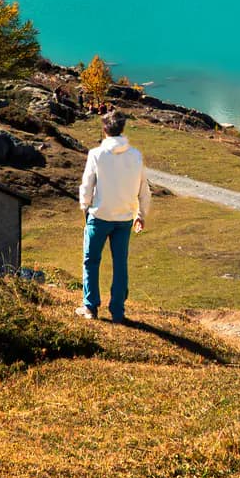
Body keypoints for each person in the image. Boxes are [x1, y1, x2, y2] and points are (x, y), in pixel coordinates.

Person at [77, 109, 147, 321]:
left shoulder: (96, 154)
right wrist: (140, 214)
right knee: (120, 264)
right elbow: (143, 187)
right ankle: (117, 311)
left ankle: (90, 307)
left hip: (99, 216)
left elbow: (87, 184)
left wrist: (85, 206)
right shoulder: (135, 155)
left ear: (104, 130)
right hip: (124, 218)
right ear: (122, 129)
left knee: (91, 261)